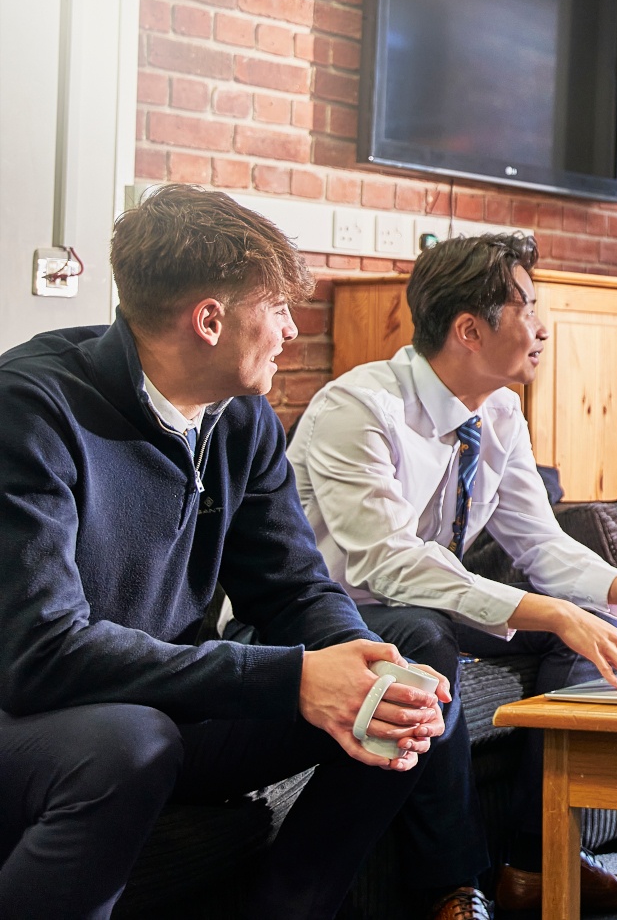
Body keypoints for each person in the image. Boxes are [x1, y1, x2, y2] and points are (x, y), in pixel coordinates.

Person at [0, 185, 447, 920]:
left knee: (409, 667)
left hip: (176, 703)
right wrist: (294, 677)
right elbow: (41, 653)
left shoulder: (241, 418)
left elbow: (294, 589)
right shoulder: (32, 407)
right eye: (277, 310)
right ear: (209, 319)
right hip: (45, 717)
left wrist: (363, 660)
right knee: (130, 739)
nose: (291, 332)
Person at [290, 234, 617, 918]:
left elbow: (536, 539)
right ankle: (452, 886)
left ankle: (535, 864)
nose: (544, 326)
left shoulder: (500, 411)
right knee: (426, 638)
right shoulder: (357, 408)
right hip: (336, 608)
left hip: (425, 598)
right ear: (468, 329)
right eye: (530, 306)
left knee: (587, 631)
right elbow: (384, 560)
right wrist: (549, 610)